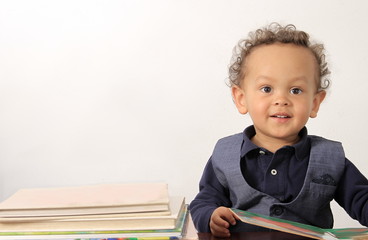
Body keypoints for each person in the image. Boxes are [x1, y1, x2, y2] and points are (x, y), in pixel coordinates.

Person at [189, 23, 368, 238]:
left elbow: (362, 199)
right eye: (266, 89)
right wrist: (211, 215)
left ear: (315, 103)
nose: (281, 100)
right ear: (241, 98)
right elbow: (204, 200)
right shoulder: (224, 154)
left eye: (296, 90)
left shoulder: (330, 158)